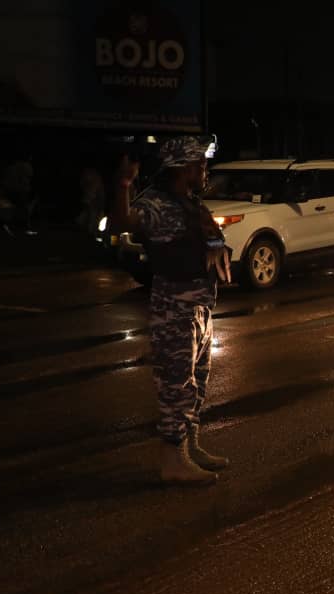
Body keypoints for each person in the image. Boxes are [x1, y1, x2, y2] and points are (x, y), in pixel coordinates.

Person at [111, 136, 232, 486]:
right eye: (200, 163)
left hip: (200, 308)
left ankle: (190, 447)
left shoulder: (189, 202)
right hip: (174, 309)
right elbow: (122, 221)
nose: (204, 170)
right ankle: (172, 460)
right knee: (175, 386)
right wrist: (123, 184)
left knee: (196, 383)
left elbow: (206, 242)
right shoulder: (156, 203)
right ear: (183, 167)